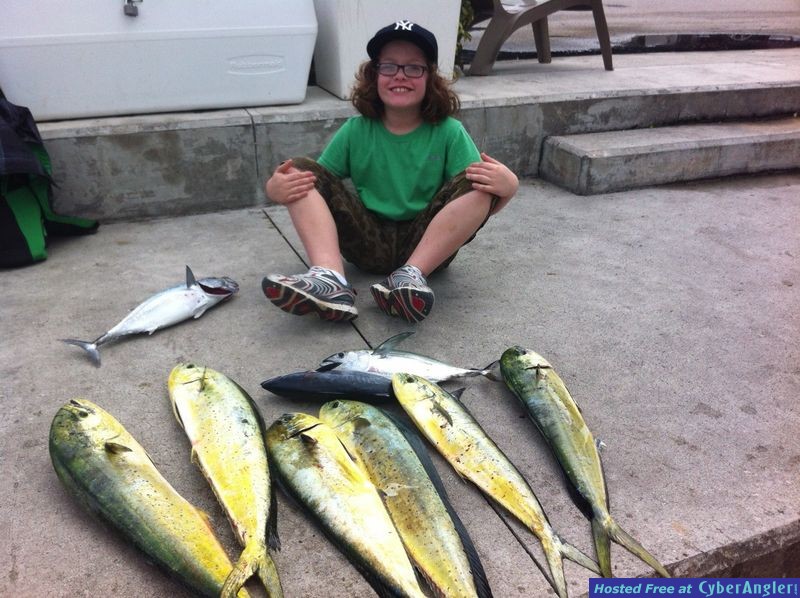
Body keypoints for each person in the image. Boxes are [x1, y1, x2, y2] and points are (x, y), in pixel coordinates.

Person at [262, 20, 518, 323]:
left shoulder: (449, 132)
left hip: (426, 245)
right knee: (301, 171)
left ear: (430, 78)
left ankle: (409, 277)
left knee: (480, 180)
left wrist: (508, 187)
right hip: (366, 240)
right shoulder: (356, 130)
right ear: (374, 74)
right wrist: (275, 189)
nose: (400, 75)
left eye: (413, 68)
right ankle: (330, 279)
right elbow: (315, 184)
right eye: (389, 66)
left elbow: (477, 204)